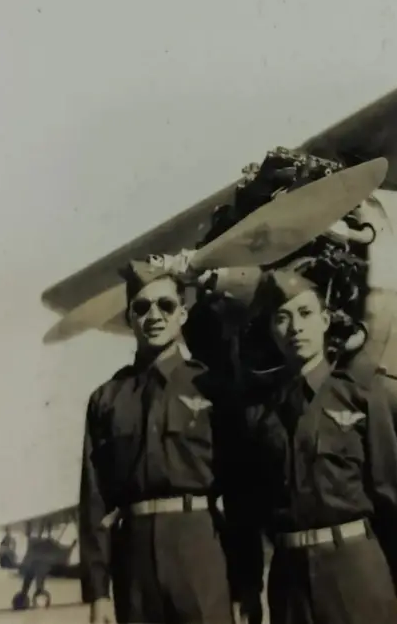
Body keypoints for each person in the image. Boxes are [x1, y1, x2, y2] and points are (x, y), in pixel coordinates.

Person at [78, 258, 262, 624]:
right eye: (142, 308)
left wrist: (248, 586)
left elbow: (241, 496)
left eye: (166, 305)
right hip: (134, 561)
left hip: (198, 549)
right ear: (129, 318)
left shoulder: (212, 388)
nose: (154, 316)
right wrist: (98, 591)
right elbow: (94, 502)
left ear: (183, 314)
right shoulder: (107, 399)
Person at [234, 267, 397, 624]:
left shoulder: (360, 394)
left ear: (325, 320)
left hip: (354, 571)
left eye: (305, 314)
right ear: (272, 330)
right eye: (282, 318)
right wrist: (248, 587)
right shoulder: (259, 413)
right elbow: (248, 511)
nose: (296, 327)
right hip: (289, 581)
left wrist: (375, 576)